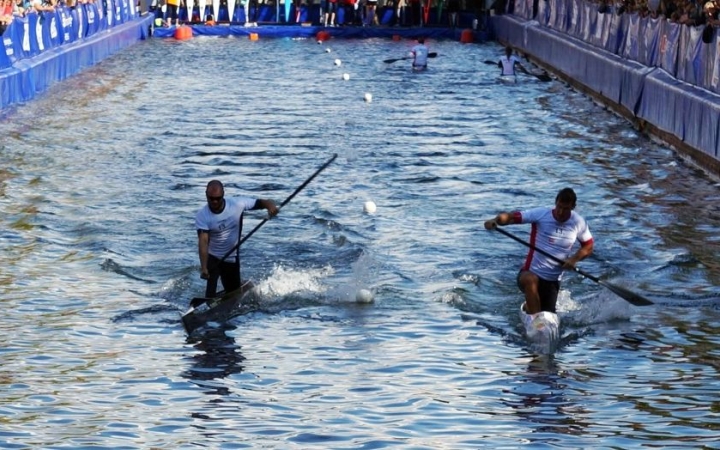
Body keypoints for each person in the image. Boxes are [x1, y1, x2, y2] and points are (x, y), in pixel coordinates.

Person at [483, 187, 594, 315]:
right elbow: (512, 217)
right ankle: (536, 320)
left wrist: (573, 260)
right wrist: (495, 221)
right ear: (555, 203)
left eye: (566, 208)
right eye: (559, 207)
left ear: (573, 207)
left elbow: (589, 246)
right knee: (530, 280)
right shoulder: (541, 214)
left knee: (547, 312)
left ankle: (529, 307)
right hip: (529, 273)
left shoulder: (578, 222)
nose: (560, 212)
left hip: (553, 281)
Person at [195, 180, 279, 298]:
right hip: (213, 257)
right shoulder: (202, 215)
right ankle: (209, 302)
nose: (214, 201)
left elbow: (264, 202)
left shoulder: (237, 204)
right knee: (210, 289)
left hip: (231, 257)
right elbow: (203, 241)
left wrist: (271, 207)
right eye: (211, 198)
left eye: (218, 198)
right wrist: (204, 267)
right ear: (206, 195)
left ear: (223, 194)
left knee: (233, 292)